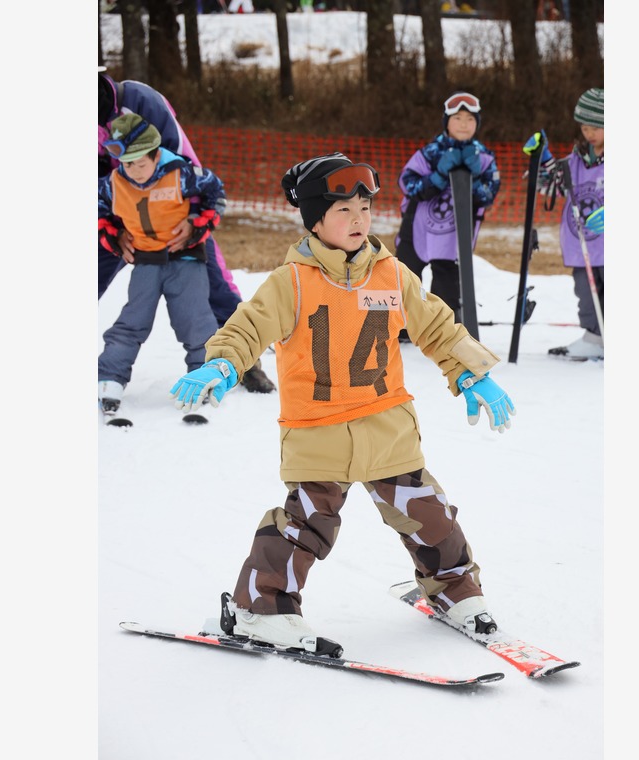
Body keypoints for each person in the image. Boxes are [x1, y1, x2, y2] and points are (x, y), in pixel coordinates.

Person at [168, 153, 516, 652]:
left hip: (387, 425)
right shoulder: (291, 281)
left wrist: (469, 372)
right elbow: (250, 325)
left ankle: (454, 591)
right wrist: (224, 363)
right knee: (307, 525)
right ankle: (259, 609)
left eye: (364, 209)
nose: (358, 220)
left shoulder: (392, 275)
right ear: (315, 220)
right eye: (343, 211)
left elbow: (436, 326)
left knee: (430, 515)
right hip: (317, 428)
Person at [99, 68, 275, 392]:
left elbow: (191, 170)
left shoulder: (139, 101)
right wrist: (109, 232)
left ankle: (244, 360)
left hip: (176, 214)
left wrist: (195, 221)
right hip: (124, 215)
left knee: (213, 291)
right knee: (130, 311)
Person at [97, 112, 230, 424]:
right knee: (132, 321)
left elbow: (216, 194)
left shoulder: (183, 173)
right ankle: (110, 378)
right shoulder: (113, 184)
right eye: (127, 164)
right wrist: (112, 234)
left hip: (185, 259)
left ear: (155, 155)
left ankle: (203, 375)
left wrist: (198, 224)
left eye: (140, 163)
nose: (134, 171)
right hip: (146, 260)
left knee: (196, 321)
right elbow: (99, 208)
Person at [394, 92, 500, 335]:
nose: (464, 124)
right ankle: (401, 325)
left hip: (455, 234)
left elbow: (489, 194)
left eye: (470, 120)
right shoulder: (429, 153)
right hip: (418, 229)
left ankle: (441, 330)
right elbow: (407, 183)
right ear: (447, 122)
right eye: (458, 118)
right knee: (407, 275)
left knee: (447, 281)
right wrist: (437, 177)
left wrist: (472, 181)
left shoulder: (483, 158)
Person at [540, 87, 604, 360]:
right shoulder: (576, 159)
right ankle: (594, 337)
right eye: (585, 127)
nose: (589, 133)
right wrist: (542, 159)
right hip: (583, 242)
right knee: (585, 291)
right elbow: (551, 185)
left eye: (596, 127)